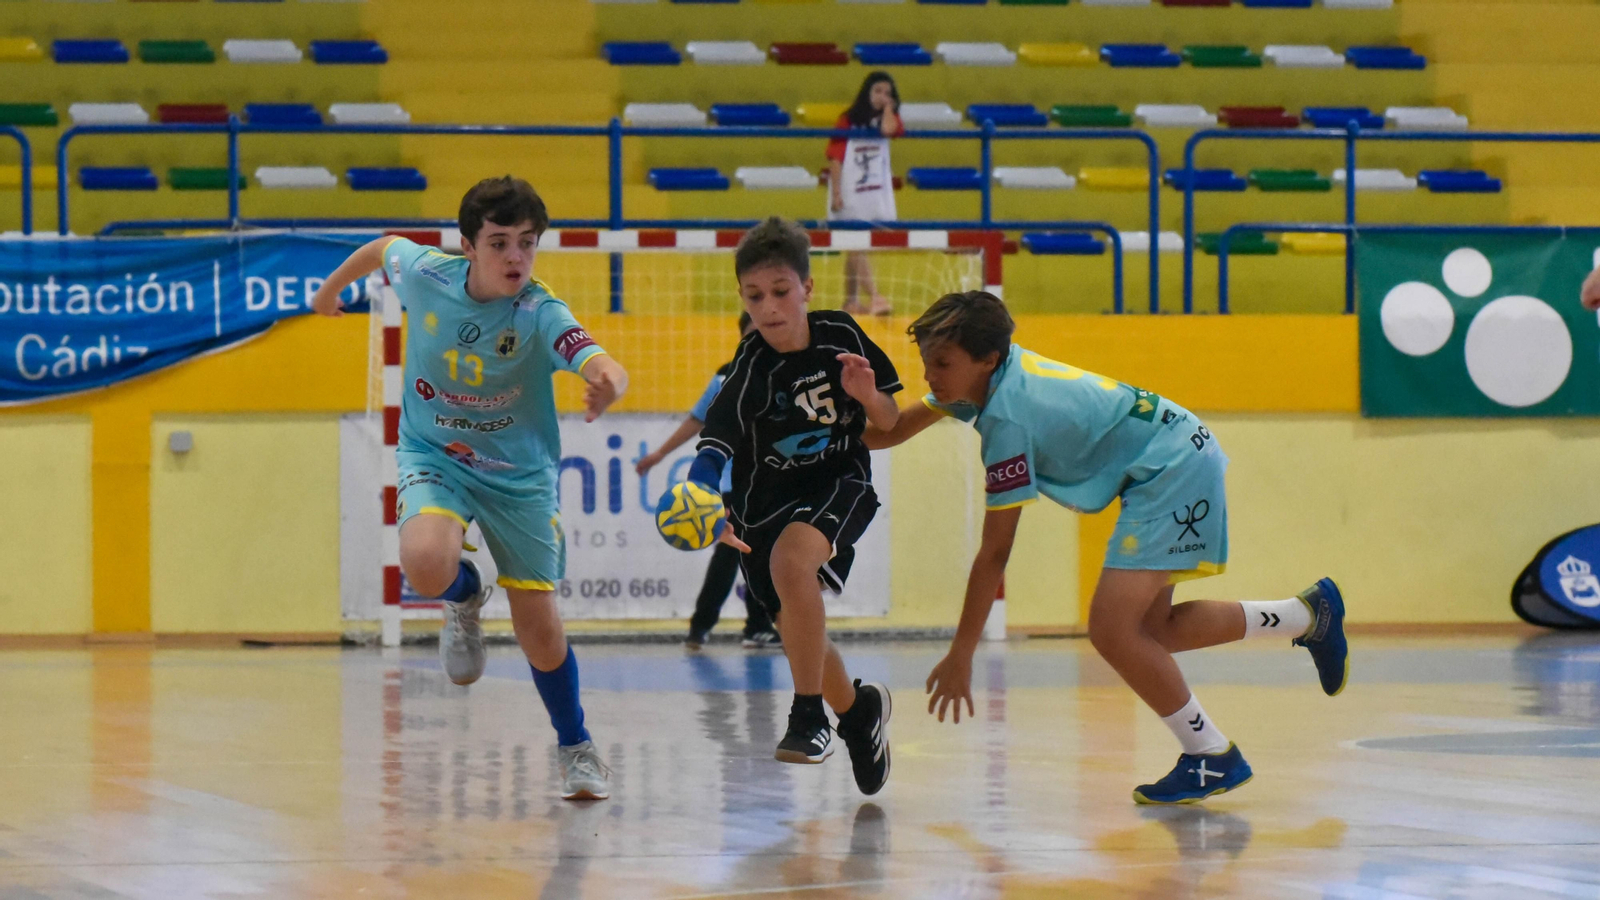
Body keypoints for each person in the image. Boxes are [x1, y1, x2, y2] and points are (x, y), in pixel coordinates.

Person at [865, 290, 1349, 805]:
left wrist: (961, 654)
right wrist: (828, 427)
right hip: (1174, 452)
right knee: (1150, 631)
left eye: (940, 363)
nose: (928, 376)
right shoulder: (982, 380)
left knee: (1112, 629)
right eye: (926, 362)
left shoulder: (1009, 418)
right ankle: (1305, 615)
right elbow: (890, 429)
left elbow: (994, 555)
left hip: (1171, 469)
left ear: (988, 360)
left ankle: (1210, 754)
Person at [310, 175, 628, 801]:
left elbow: (597, 358)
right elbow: (383, 245)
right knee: (425, 564)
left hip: (519, 479)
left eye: (527, 243)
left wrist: (609, 382)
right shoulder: (427, 274)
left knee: (539, 629)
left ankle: (576, 746)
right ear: (469, 245)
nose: (515, 257)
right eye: (500, 242)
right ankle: (464, 594)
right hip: (436, 455)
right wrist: (329, 292)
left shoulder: (539, 311)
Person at [667, 216, 898, 795]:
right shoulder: (747, 370)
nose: (768, 307)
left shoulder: (842, 336)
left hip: (839, 481)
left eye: (780, 292)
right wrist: (698, 491)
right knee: (796, 627)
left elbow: (889, 420)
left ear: (808, 289)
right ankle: (858, 712)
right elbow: (713, 444)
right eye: (754, 296)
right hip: (759, 509)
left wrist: (868, 395)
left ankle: (808, 715)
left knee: (792, 564)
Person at [636, 311, 781, 650]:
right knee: (736, 555)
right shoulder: (725, 379)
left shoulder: (786, 376)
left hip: (770, 484)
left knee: (754, 555)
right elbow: (697, 420)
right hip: (734, 485)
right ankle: (732, 626)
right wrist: (659, 453)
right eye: (751, 333)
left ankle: (726, 626)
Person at [827, 71, 904, 317]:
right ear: (866, 92)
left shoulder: (890, 117)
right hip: (850, 188)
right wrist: (837, 193)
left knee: (855, 245)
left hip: (873, 191)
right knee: (856, 242)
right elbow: (835, 158)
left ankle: (850, 300)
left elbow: (889, 130)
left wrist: (888, 109)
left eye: (887, 93)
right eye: (878, 91)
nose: (882, 97)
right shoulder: (847, 120)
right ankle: (875, 297)